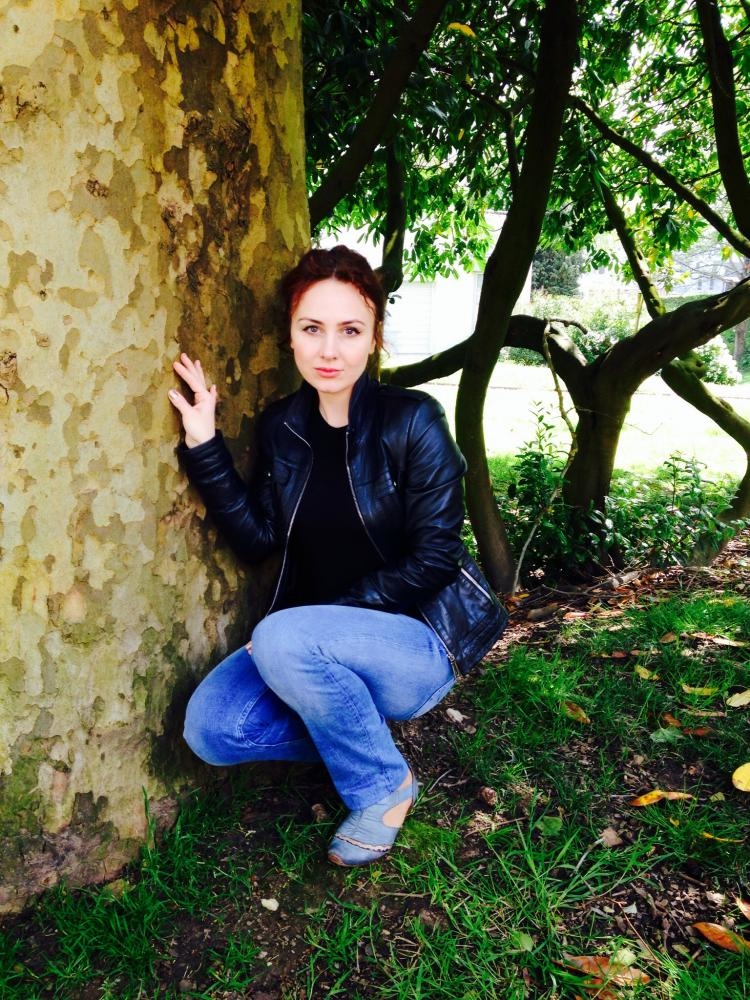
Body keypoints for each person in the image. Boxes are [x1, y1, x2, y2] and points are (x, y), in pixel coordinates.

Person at [168, 246, 507, 867]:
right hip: (305, 645)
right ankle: (356, 733)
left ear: (375, 337)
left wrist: (308, 626)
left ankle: (382, 787)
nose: (330, 350)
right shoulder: (282, 427)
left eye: (350, 330)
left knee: (284, 636)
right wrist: (204, 445)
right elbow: (259, 541)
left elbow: (436, 557)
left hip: (417, 640)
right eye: (312, 328)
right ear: (290, 336)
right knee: (212, 728)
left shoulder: (414, 421)